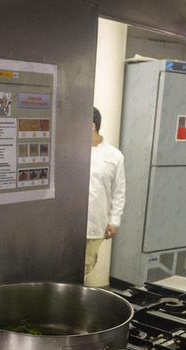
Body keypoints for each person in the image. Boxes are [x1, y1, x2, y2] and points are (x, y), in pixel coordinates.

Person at [85, 106, 125, 286]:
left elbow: (119, 191)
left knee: (86, 265)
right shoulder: (72, 149)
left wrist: (114, 221)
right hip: (67, 224)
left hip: (95, 223)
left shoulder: (114, 155)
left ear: (92, 126)